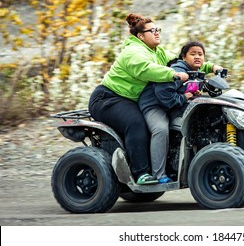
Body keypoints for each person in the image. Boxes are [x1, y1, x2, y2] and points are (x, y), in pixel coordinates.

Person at [88, 13, 194, 185]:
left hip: (128, 99)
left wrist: (206, 66)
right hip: (108, 98)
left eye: (158, 29)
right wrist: (174, 75)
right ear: (141, 36)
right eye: (152, 31)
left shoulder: (157, 51)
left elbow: (181, 61)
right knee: (136, 123)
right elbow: (147, 69)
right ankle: (141, 174)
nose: (157, 33)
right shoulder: (133, 52)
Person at [138, 41, 223, 183]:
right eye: (193, 54)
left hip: (171, 105)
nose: (197, 57)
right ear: (184, 57)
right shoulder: (179, 70)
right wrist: (184, 97)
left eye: (200, 54)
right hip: (155, 105)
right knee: (160, 129)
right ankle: (159, 175)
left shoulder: (195, 71)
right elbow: (163, 94)